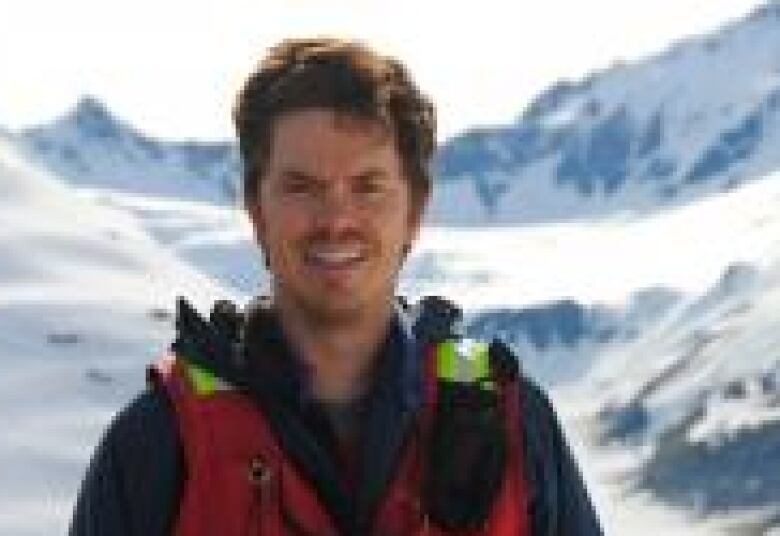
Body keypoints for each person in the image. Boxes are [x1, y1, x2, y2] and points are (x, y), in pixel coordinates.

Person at [70, 38, 603, 535]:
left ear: (414, 211)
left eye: (368, 187)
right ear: (257, 211)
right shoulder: (158, 445)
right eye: (302, 187)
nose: (336, 219)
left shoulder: (511, 425)